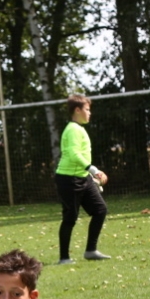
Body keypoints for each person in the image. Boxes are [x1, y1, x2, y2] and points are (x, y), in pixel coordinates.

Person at [55, 94, 109, 264]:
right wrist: (93, 170)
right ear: (77, 110)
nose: (89, 113)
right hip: (68, 179)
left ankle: (91, 251)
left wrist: (89, 175)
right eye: (87, 109)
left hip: (83, 177)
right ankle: (64, 258)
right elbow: (73, 154)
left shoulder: (79, 129)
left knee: (100, 210)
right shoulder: (72, 129)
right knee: (70, 217)